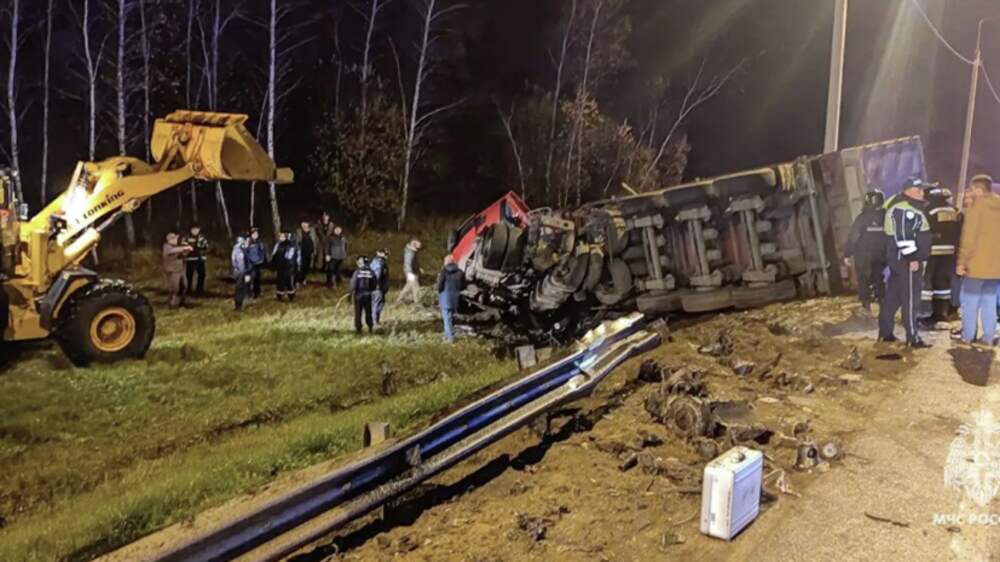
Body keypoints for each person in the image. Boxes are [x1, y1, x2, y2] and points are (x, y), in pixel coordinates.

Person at [877, 177, 932, 348]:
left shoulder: (906, 207)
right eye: (918, 190)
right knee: (911, 299)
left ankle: (885, 333)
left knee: (893, 298)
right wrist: (913, 258)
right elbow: (903, 236)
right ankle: (912, 338)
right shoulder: (903, 209)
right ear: (907, 191)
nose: (922, 193)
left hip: (900, 261)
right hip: (906, 262)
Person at [956, 174, 1000, 345]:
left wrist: (962, 262)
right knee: (989, 302)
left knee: (969, 302)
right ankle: (988, 337)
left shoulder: (977, 206)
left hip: (976, 265)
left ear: (979, 189)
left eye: (972, 189)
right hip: (995, 267)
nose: (970, 192)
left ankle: (968, 336)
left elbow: (969, 237)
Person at [920, 184, 961, 325]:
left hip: (932, 251)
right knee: (943, 283)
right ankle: (942, 313)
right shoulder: (955, 211)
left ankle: (925, 311)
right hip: (950, 251)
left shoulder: (929, 211)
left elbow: (922, 230)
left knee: (928, 281)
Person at [844, 189, 887, 314]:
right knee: (879, 280)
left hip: (863, 256)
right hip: (881, 255)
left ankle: (866, 308)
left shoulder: (862, 218)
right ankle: (883, 308)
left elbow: (853, 237)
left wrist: (847, 254)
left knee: (863, 280)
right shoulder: (886, 217)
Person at [437, 255, 465, 343]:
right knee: (451, 317)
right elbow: (463, 286)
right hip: (455, 297)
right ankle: (447, 335)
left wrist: (439, 291)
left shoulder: (444, 271)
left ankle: (450, 337)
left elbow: (440, 285)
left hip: (445, 296)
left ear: (446, 262)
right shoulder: (460, 272)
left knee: (446, 318)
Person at [162, 232, 193, 309]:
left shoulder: (177, 247)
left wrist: (186, 252)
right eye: (175, 239)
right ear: (170, 240)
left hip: (180, 269)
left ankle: (182, 302)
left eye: (176, 238)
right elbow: (172, 251)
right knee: (174, 288)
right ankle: (172, 304)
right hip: (173, 270)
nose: (176, 240)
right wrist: (184, 248)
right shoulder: (166, 247)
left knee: (184, 286)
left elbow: (181, 255)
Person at [271, 232, 300, 301]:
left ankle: (291, 295)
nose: (280, 238)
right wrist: (274, 264)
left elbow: (290, 257)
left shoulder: (291, 245)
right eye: (280, 236)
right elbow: (274, 255)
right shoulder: (278, 245)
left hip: (288, 267)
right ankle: (280, 294)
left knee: (289, 281)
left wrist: (293, 265)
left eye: (282, 236)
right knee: (280, 281)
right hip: (280, 267)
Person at [350, 256, 376, 333]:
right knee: (368, 312)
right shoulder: (371, 272)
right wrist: (371, 290)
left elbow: (353, 284)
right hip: (368, 295)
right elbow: (374, 284)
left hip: (358, 296)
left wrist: (351, 293)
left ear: (359, 263)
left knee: (358, 312)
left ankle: (358, 328)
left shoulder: (357, 272)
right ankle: (370, 326)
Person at [182, 225, 210, 295]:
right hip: (190, 259)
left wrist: (200, 247)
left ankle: (199, 289)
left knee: (202, 274)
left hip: (200, 258)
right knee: (189, 275)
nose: (195, 231)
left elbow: (206, 246)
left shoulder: (202, 237)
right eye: (193, 229)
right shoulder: (187, 237)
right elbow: (184, 246)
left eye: (197, 229)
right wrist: (190, 248)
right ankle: (188, 289)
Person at [396, 239, 423, 305]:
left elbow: (414, 263)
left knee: (408, 287)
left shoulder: (413, 251)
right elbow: (407, 263)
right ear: (414, 243)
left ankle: (399, 300)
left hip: (413, 272)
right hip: (411, 273)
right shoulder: (409, 252)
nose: (420, 245)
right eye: (419, 244)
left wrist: (418, 269)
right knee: (416, 288)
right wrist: (410, 273)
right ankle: (418, 303)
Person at [246, 227, 268, 299]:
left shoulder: (259, 242)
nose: (256, 235)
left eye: (256, 233)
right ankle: (249, 293)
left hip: (258, 263)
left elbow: (262, 252)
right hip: (250, 264)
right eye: (254, 234)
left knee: (257, 279)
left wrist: (262, 260)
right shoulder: (248, 242)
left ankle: (257, 292)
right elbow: (246, 253)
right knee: (249, 279)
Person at [370, 249, 390, 328]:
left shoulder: (378, 262)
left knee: (378, 304)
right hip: (377, 288)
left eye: (387, 254)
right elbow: (377, 276)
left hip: (378, 288)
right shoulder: (379, 263)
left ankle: (375, 321)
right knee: (377, 304)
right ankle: (374, 322)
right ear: (378, 253)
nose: (387, 255)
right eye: (385, 253)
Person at [231, 236, 252, 311]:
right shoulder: (237, 249)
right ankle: (238, 305)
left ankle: (240, 303)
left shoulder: (244, 250)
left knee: (243, 288)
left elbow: (247, 262)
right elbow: (235, 262)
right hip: (240, 272)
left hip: (244, 271)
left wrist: (247, 273)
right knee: (239, 288)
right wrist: (238, 270)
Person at [294, 221, 317, 285]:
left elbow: (315, 241)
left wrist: (314, 250)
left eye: (305, 223)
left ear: (308, 224)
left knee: (307, 267)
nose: (304, 225)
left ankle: (303, 279)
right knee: (300, 267)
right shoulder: (298, 231)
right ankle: (297, 280)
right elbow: (296, 242)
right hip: (301, 252)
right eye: (302, 223)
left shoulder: (312, 231)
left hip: (309, 252)